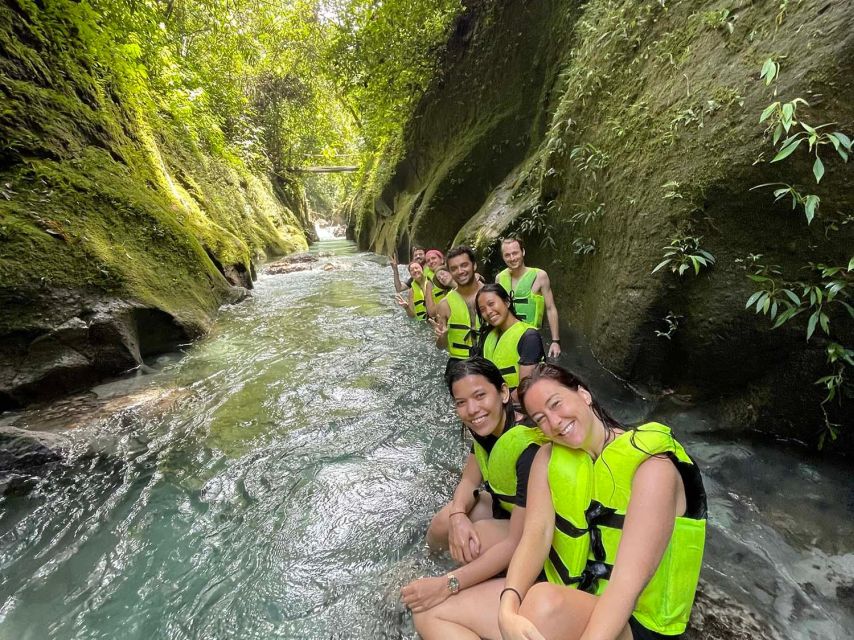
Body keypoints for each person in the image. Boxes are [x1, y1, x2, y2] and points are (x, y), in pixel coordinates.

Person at [497, 363, 707, 640]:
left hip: (639, 620)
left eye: (556, 404)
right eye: (541, 418)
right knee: (439, 613)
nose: (555, 422)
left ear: (583, 394)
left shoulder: (653, 468)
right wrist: (507, 608)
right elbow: (536, 536)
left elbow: (625, 588)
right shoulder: (549, 457)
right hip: (582, 595)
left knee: (541, 604)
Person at [401, 357, 546, 638]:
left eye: (480, 396)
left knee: (473, 540)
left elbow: (521, 539)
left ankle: (452, 587)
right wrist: (457, 515)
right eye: (461, 402)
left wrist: (447, 584)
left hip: (535, 535)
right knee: (444, 521)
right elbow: (470, 478)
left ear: (503, 393)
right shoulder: (484, 426)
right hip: (508, 510)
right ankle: (426, 568)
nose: (472, 409)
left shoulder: (527, 447)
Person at [495, 237, 562, 359]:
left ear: (523, 252)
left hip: (530, 337)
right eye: (507, 255)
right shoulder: (500, 278)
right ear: (503, 257)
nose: (512, 258)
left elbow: (550, 308)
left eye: (515, 253)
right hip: (506, 336)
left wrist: (555, 341)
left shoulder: (540, 276)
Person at [475, 284, 545, 400]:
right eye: (482, 310)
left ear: (507, 302)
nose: (488, 311)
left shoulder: (529, 336)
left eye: (491, 304)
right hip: (495, 400)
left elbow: (526, 388)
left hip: (518, 406)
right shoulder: (487, 335)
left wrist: (497, 405)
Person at [431, 246, 483, 361]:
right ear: (450, 272)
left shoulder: (491, 296)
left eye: (464, 265)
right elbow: (440, 346)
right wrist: (442, 336)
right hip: (459, 362)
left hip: (489, 359)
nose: (460, 271)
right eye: (454, 268)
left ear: (474, 265)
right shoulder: (444, 305)